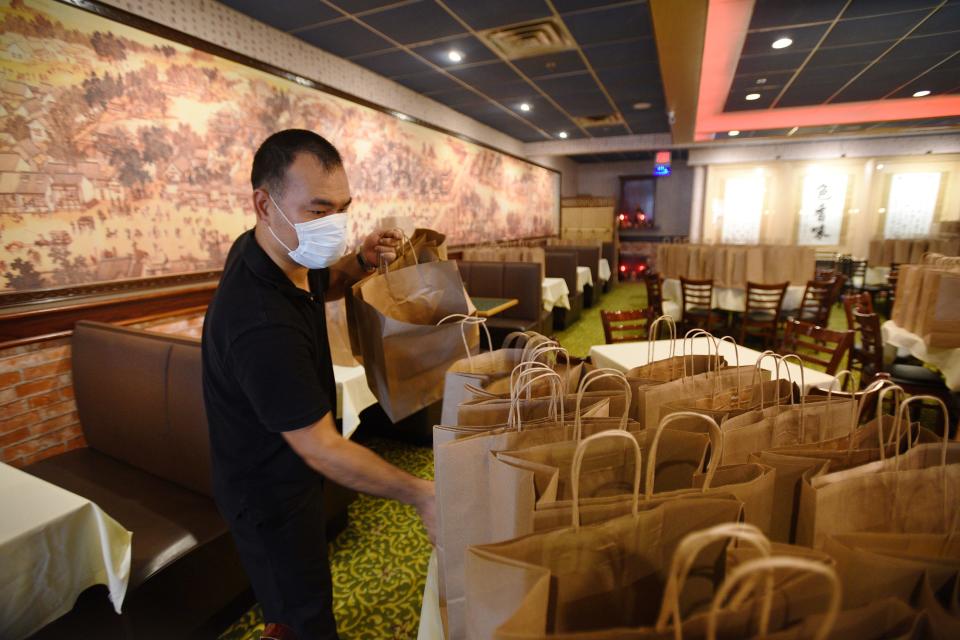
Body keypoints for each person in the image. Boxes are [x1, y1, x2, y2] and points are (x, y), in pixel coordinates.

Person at [201, 129, 436, 640]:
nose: (335, 225)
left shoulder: (279, 251)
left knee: (299, 595)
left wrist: (363, 261)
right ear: (265, 204)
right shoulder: (258, 322)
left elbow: (326, 283)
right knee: (303, 611)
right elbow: (324, 448)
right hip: (266, 491)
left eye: (343, 209)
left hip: (292, 472)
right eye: (319, 210)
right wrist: (421, 494)